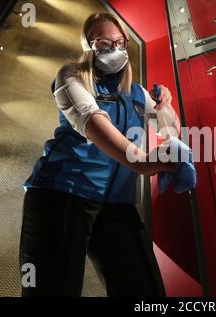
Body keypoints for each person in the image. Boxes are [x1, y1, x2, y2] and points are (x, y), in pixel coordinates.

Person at [19, 12, 184, 297]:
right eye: (104, 43)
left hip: (116, 205)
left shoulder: (136, 92)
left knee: (145, 292)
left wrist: (164, 106)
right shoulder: (71, 77)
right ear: (89, 46)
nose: (115, 50)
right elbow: (92, 122)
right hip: (63, 195)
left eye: (120, 43)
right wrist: (142, 162)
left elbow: (170, 130)